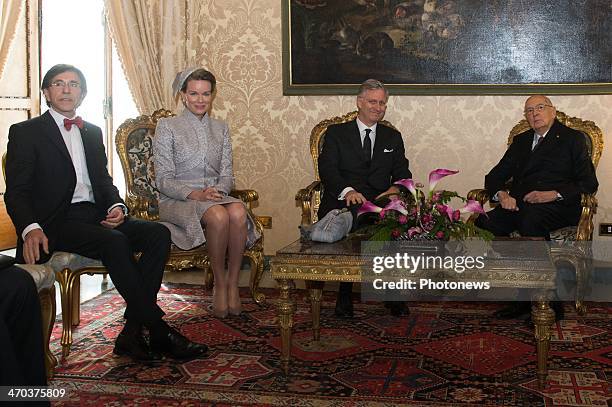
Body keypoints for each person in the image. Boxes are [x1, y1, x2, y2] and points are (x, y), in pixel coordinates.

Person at [5, 64, 207, 362]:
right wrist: (30, 227)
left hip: (94, 217)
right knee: (114, 242)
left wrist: (116, 206)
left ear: (82, 93)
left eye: (73, 84)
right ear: (46, 92)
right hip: (55, 222)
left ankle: (132, 332)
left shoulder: (92, 132)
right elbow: (17, 191)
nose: (66, 89)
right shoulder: (26, 132)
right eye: (58, 84)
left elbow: (102, 180)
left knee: (157, 234)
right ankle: (159, 329)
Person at [475, 95, 598, 320]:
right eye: (529, 111)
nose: (535, 114)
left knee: (529, 220)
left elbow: (589, 183)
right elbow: (495, 176)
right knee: (483, 222)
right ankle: (527, 292)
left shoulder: (572, 139)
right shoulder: (521, 141)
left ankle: (548, 299)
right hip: (522, 205)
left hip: (559, 206)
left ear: (553, 111)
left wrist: (553, 194)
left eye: (540, 108)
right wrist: (502, 195)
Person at [154, 68, 260, 319]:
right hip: (177, 198)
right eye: (193, 93)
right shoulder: (167, 126)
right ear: (183, 95)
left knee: (237, 209)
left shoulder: (220, 127)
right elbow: (163, 179)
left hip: (213, 195)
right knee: (218, 216)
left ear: (213, 96)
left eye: (206, 94)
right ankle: (220, 284)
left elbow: (227, 173)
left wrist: (218, 190)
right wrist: (195, 194)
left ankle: (233, 283)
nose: (200, 100)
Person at [318, 79, 412, 318]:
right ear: (359, 102)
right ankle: (345, 293)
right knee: (362, 217)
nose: (378, 107)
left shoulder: (392, 137)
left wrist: (394, 190)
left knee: (392, 216)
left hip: (380, 204)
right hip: (344, 202)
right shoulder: (336, 134)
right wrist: (348, 191)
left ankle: (391, 292)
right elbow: (328, 170)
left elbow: (403, 173)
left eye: (382, 103)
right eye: (373, 101)